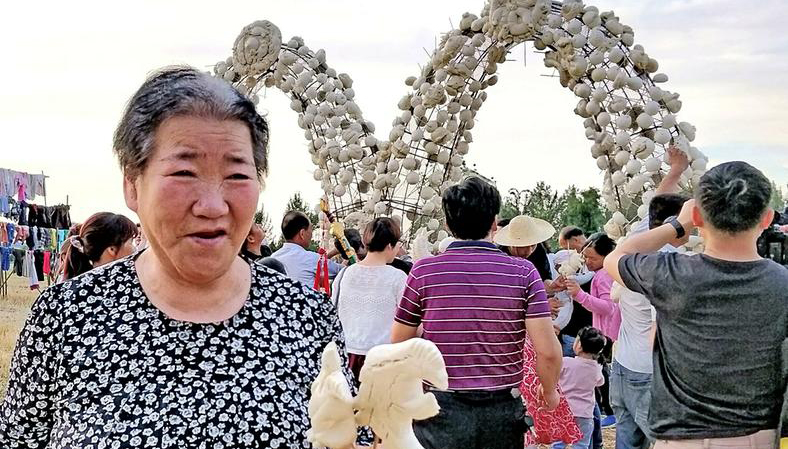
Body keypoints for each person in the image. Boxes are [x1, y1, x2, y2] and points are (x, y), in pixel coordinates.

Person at [0, 66, 355, 448]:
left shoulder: (305, 316)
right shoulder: (66, 316)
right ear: (132, 184)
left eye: (236, 176)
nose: (213, 206)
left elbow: (353, 433)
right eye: (185, 172)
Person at [604, 161, 787, 449]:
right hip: (756, 438)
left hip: (678, 439)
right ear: (766, 219)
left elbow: (617, 255)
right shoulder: (782, 284)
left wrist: (676, 224)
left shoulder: (671, 274)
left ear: (698, 217)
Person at [391, 177, 562, 449]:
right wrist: (549, 390)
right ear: (495, 223)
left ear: (448, 224)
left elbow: (399, 345)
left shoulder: (423, 271)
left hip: (438, 407)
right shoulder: (523, 273)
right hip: (501, 408)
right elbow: (549, 351)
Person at [611, 146, 689, 449]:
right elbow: (660, 334)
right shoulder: (667, 263)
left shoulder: (636, 241)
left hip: (622, 366)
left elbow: (657, 205)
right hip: (649, 372)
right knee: (663, 442)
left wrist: (675, 170)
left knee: (627, 441)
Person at [495, 216, 583, 447]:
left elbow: (539, 286)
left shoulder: (538, 257)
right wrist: (542, 301)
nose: (528, 250)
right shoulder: (499, 260)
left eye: (532, 245)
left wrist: (551, 290)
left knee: (535, 388)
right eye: (523, 245)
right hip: (511, 334)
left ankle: (536, 436)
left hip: (532, 334)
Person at [331, 218, 407, 384]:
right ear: (389, 245)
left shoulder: (344, 274)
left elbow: (332, 313)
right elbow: (407, 321)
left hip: (345, 356)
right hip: (383, 360)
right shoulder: (398, 278)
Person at [552, 326, 607, 449]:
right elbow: (600, 382)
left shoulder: (565, 362)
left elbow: (554, 376)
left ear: (579, 346)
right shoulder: (596, 368)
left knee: (558, 443)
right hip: (585, 413)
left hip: (564, 410)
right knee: (582, 444)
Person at [272, 210, 342, 287]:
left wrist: (331, 253)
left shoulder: (273, 258)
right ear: (302, 233)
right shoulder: (310, 258)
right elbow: (342, 271)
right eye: (310, 229)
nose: (311, 235)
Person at [61, 212, 137, 281]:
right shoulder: (125, 286)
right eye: (131, 242)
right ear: (112, 249)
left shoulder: (76, 285)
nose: (135, 249)